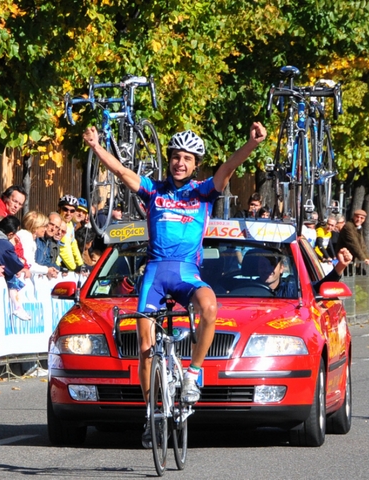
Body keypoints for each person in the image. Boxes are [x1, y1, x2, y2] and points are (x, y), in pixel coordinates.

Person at [84, 121, 267, 448]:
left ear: (195, 164)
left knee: (210, 307)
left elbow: (228, 167)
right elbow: (124, 173)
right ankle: (151, 413)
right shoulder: (154, 190)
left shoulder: (203, 192)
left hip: (186, 274)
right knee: (144, 349)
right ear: (168, 160)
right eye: (175, 157)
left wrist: (251, 144)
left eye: (187, 158)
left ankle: (193, 374)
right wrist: (97, 148)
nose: (180, 163)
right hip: (154, 273)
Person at [255, 247, 353, 297]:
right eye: (262, 265)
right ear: (257, 269)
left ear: (282, 268)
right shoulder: (244, 289)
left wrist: (341, 265)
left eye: (271, 265)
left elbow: (320, 286)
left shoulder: (293, 290)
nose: (266, 269)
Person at [17, 211, 58, 280]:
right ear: (36, 226)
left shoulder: (29, 237)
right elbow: (29, 265)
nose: (45, 229)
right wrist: (47, 270)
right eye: (44, 226)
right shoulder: (26, 237)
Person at [57, 195, 84, 272]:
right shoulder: (58, 224)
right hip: (56, 265)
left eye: (72, 211)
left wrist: (80, 264)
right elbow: (64, 250)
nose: (68, 213)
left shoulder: (70, 224)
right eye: (65, 209)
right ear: (59, 209)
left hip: (65, 264)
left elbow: (73, 244)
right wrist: (74, 268)